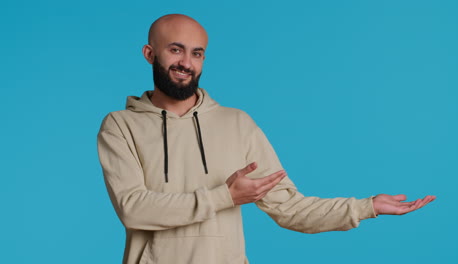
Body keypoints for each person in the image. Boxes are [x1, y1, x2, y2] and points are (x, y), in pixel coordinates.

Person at [97, 14, 436, 264]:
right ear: (149, 53)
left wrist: (367, 206)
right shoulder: (121, 126)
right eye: (176, 50)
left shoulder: (237, 123)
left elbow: (289, 208)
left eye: (197, 53)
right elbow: (134, 210)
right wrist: (224, 197)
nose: (187, 63)